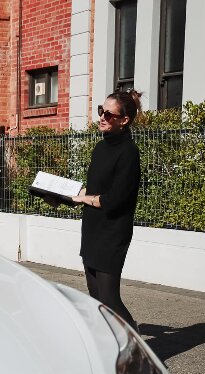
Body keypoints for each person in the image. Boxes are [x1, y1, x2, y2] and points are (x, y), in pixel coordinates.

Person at [71, 89, 143, 330]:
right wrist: (65, 197)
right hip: (92, 228)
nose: (102, 117)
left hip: (113, 232)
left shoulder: (129, 153)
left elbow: (114, 200)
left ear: (124, 120)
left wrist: (83, 198)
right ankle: (108, 347)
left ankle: (136, 346)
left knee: (109, 298)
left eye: (109, 114)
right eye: (101, 111)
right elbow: (93, 192)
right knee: (95, 299)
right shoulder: (100, 149)